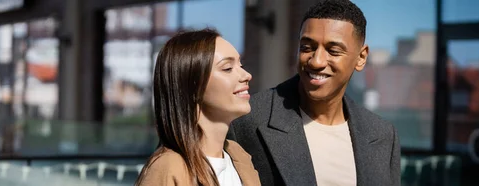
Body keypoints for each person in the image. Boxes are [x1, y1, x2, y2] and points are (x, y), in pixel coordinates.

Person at [228, 0, 400, 185]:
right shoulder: (248, 119)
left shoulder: (382, 134)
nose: (316, 61)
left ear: (361, 58)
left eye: (333, 51)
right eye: (307, 48)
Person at [135, 29, 260, 186]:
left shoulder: (239, 158)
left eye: (240, 65)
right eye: (227, 68)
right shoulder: (168, 169)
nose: (246, 75)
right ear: (192, 86)